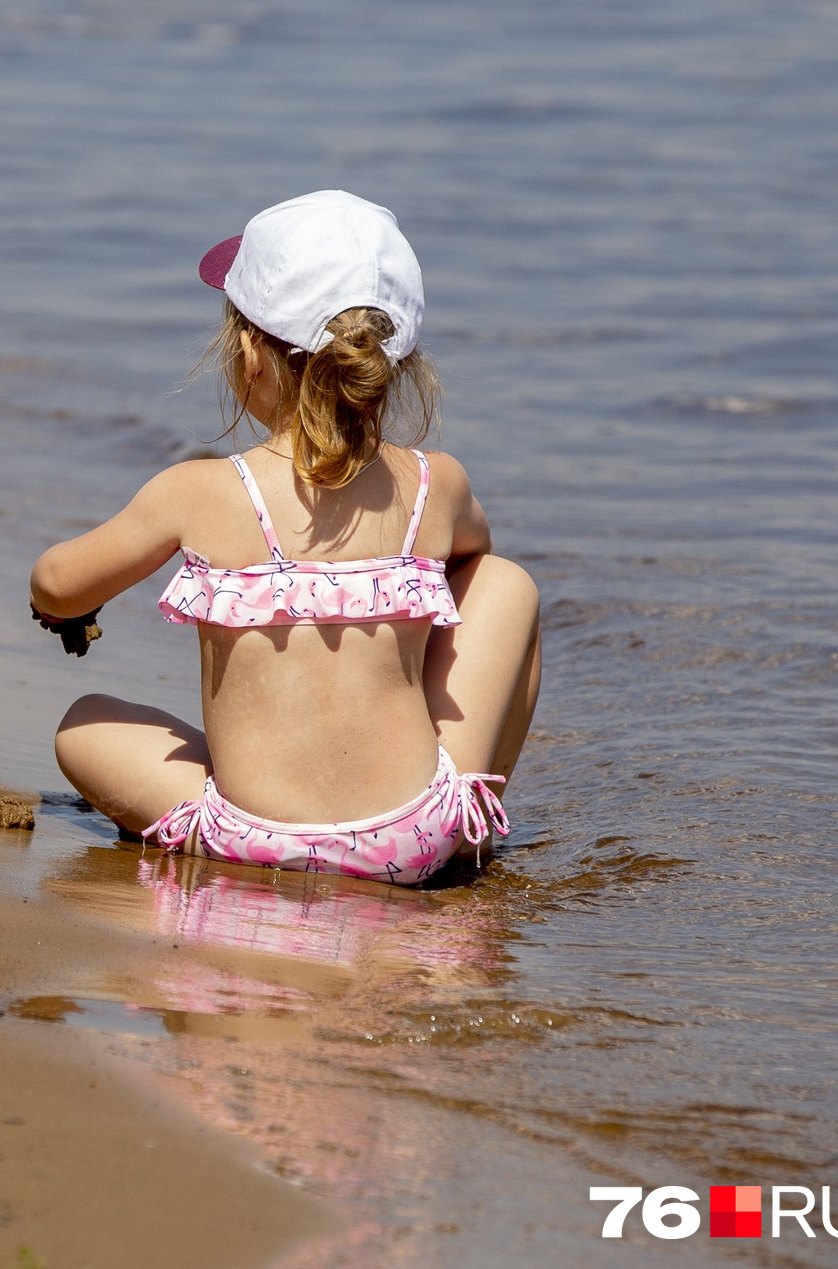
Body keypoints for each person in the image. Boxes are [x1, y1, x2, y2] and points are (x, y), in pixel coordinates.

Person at [34, 191, 540, 886]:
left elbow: (56, 581)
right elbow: (475, 551)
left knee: (83, 723)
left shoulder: (200, 491)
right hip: (411, 836)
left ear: (250, 355)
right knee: (506, 581)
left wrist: (65, 608)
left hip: (252, 835)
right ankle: (465, 828)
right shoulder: (435, 484)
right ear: (394, 364)